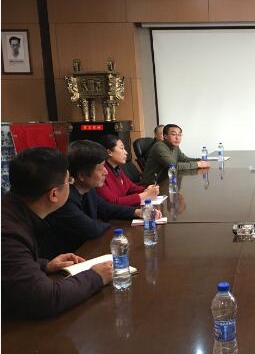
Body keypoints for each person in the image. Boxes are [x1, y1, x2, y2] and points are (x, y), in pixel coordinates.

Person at [2, 147, 112, 319]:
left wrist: (44, 265)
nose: (72, 184)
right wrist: (96, 277)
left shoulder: (12, 209)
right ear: (54, 194)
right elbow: (45, 299)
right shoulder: (9, 232)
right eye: (69, 181)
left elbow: (8, 265)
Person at [42, 140, 161, 259]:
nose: (106, 172)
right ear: (81, 175)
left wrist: (137, 212)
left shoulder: (88, 189)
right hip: (69, 259)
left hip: (88, 250)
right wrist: (120, 229)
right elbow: (91, 229)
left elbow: (105, 208)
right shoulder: (65, 199)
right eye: (101, 168)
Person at [95, 134, 159, 206]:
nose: (126, 152)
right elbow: (113, 202)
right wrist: (146, 194)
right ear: (109, 152)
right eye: (122, 148)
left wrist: (147, 189)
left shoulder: (117, 168)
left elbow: (131, 188)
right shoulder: (100, 174)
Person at [142, 124, 210, 184]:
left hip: (168, 180)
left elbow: (184, 159)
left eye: (179, 135)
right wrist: (198, 164)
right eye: (173, 134)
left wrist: (200, 160)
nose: (177, 138)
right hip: (152, 185)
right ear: (165, 136)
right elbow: (174, 166)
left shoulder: (175, 146)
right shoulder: (159, 146)